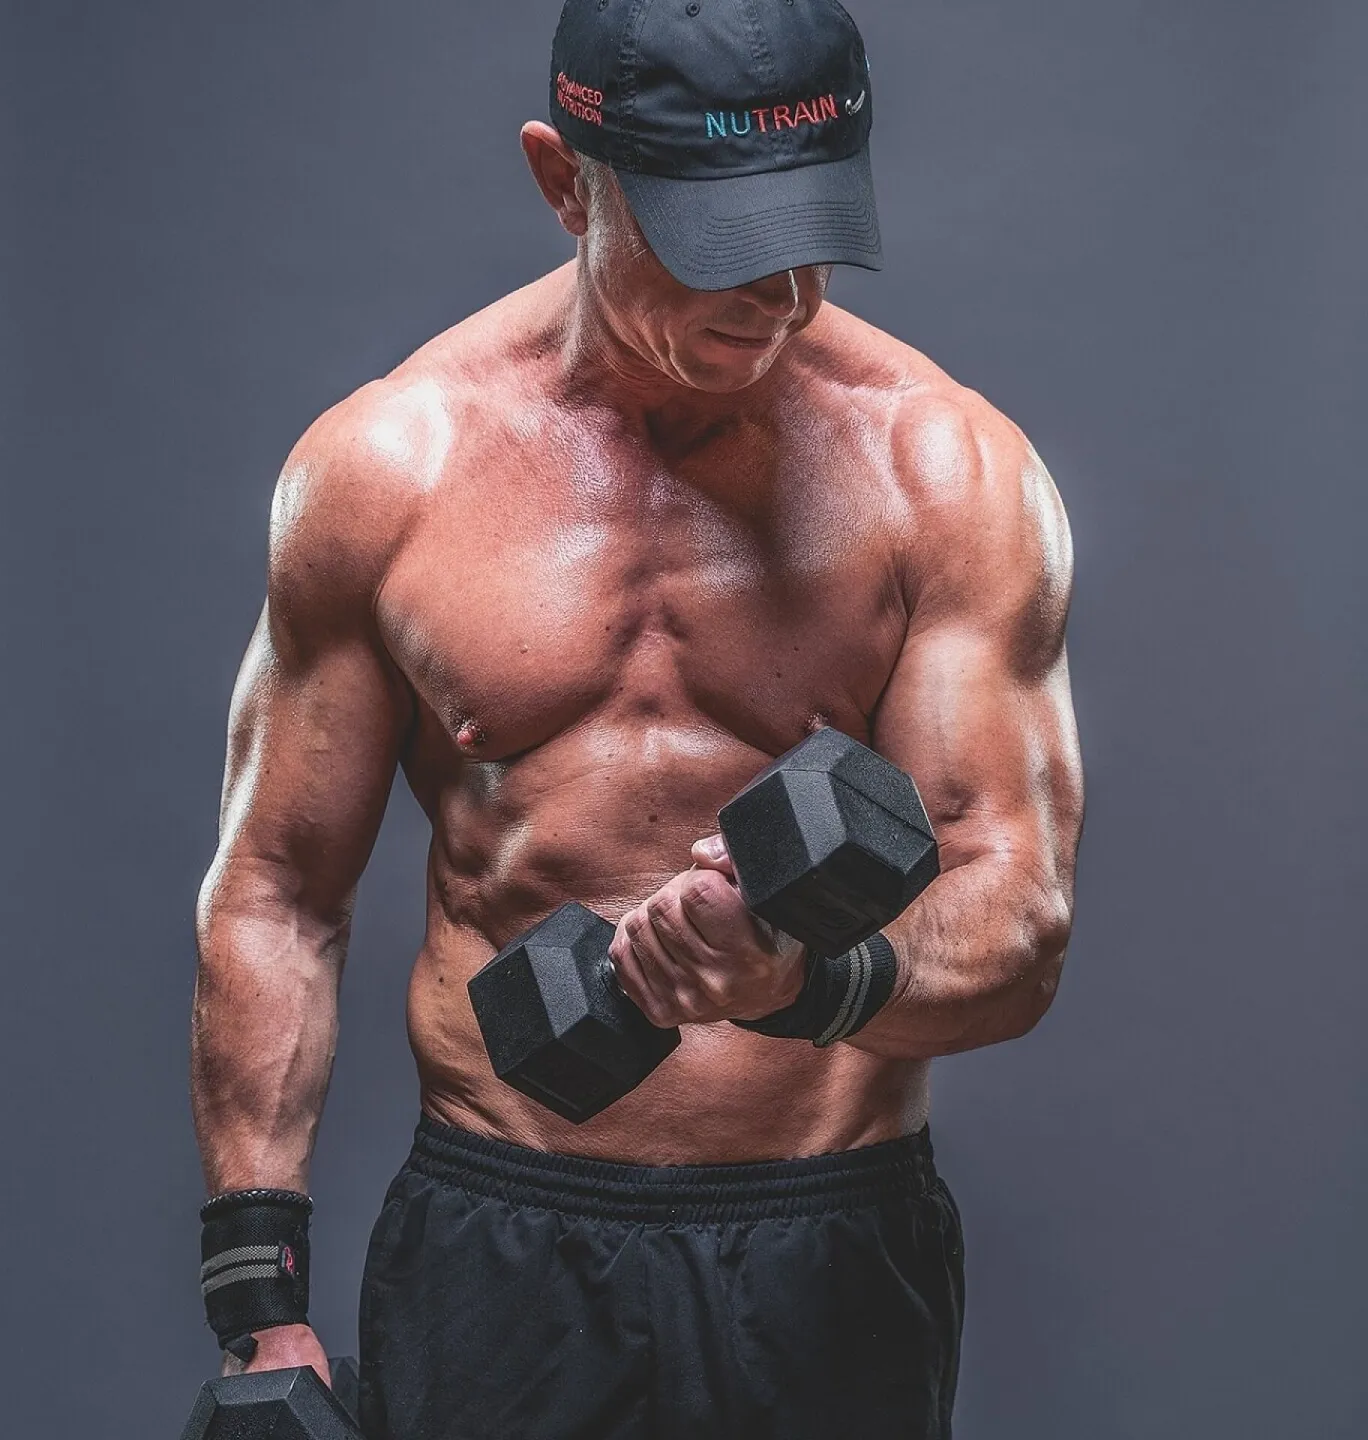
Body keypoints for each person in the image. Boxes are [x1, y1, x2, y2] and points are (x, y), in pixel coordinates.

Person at [190, 1, 1084, 1436]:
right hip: (504, 1236)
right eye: (721, 245)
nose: (780, 295)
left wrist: (801, 985)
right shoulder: (389, 471)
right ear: (565, 181)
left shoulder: (945, 474)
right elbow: (280, 890)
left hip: (828, 1241)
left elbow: (1020, 920)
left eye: (813, 235)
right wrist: (258, 1302)